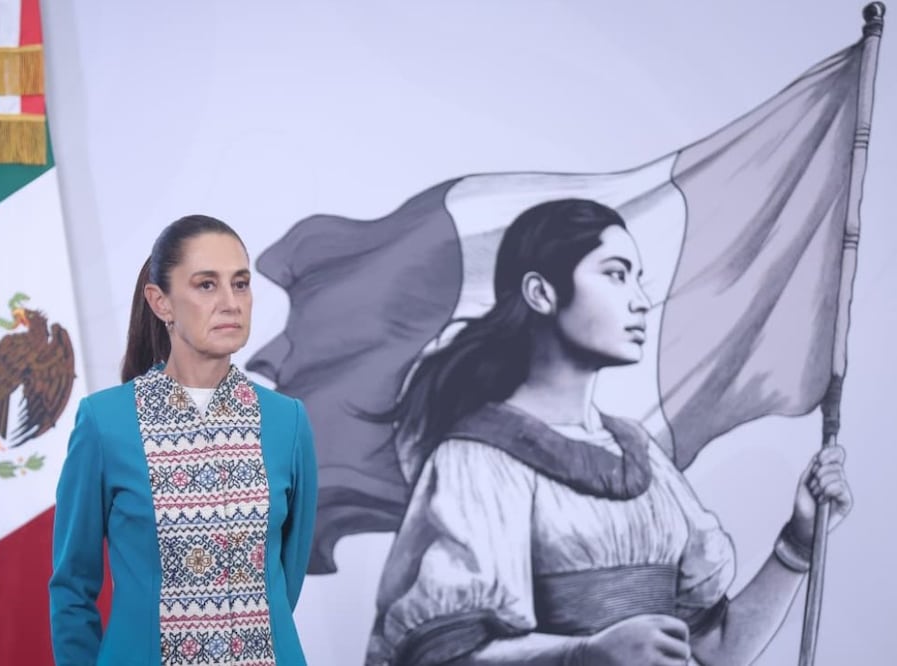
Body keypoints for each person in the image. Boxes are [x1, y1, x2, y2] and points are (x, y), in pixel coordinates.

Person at [364, 199, 853, 666]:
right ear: (541, 293)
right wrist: (584, 655)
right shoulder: (477, 460)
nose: (640, 301)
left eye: (638, 279)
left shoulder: (641, 457)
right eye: (616, 275)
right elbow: (438, 657)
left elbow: (719, 649)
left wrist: (800, 542)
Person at [49, 215, 318, 665]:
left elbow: (286, 578)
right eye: (206, 285)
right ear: (161, 302)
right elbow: (73, 586)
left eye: (241, 283)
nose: (231, 303)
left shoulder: (286, 422)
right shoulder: (105, 423)